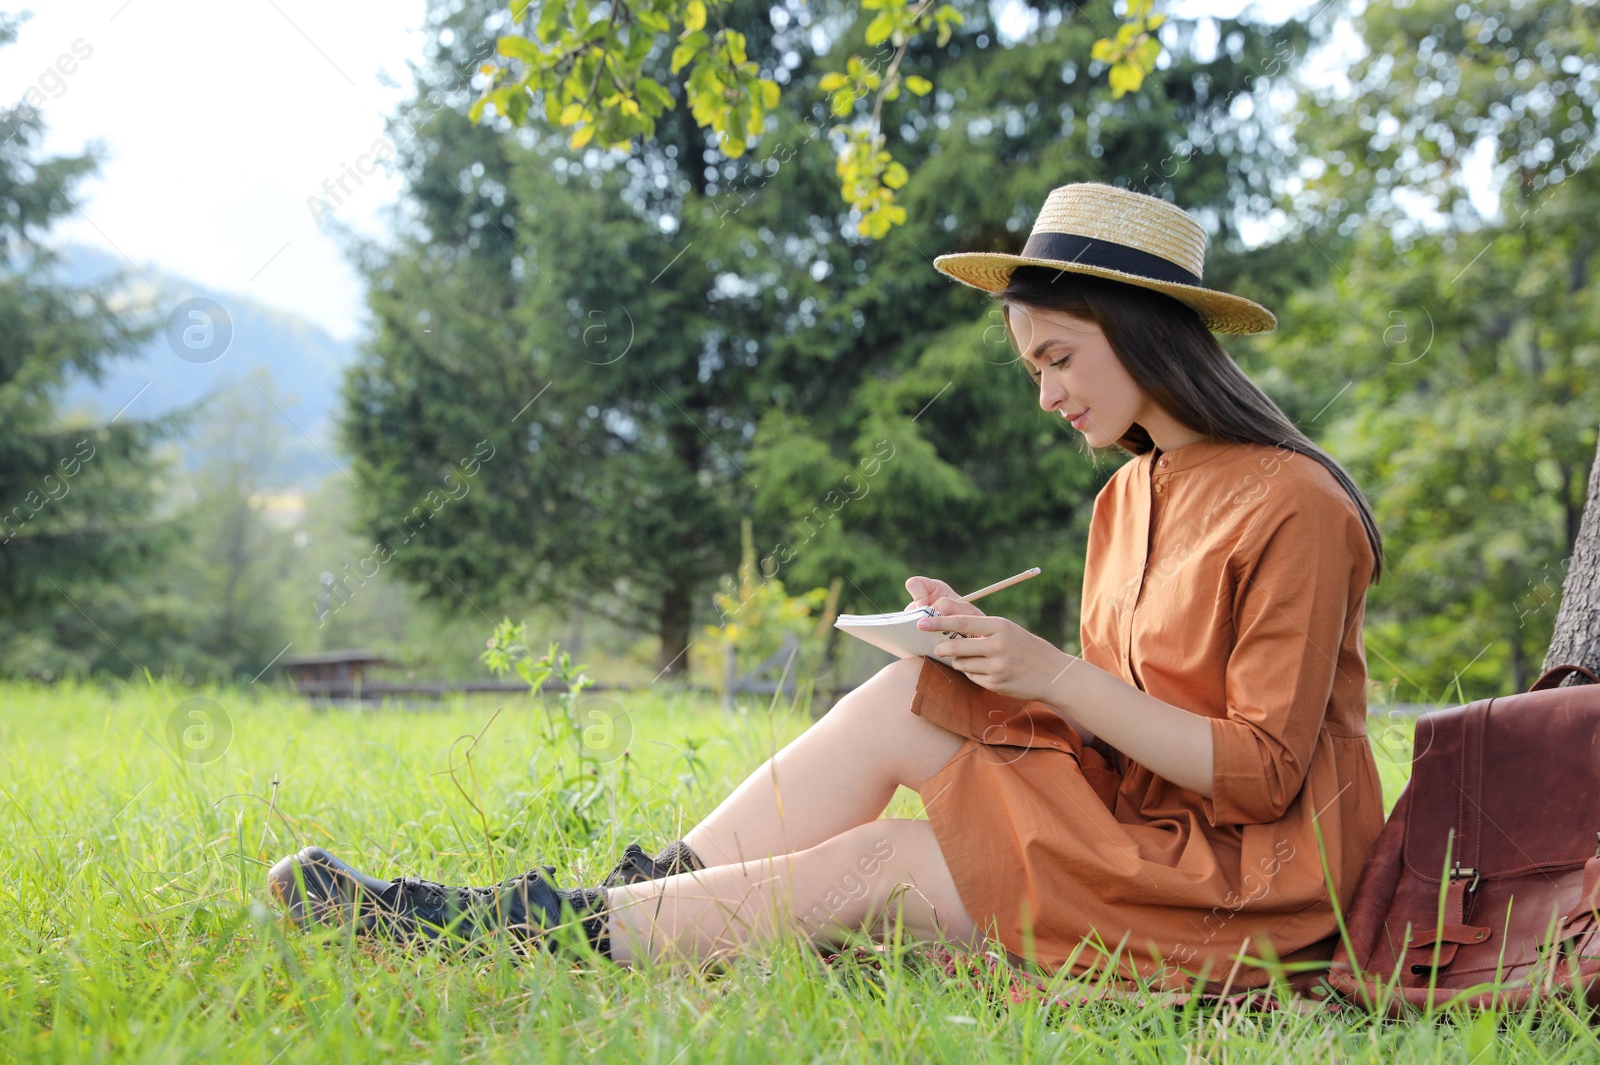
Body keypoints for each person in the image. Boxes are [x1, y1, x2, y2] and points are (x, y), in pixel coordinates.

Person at [267, 182, 1388, 996]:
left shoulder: (1296, 504)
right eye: (1029, 366)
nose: (1044, 392)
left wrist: (1043, 672)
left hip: (1247, 883)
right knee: (909, 692)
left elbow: (1258, 772)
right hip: (1137, 823)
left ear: (1140, 328)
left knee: (884, 864)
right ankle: (632, 899)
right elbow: (1131, 712)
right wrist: (977, 654)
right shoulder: (1129, 496)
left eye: (1056, 357)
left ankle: (504, 930)